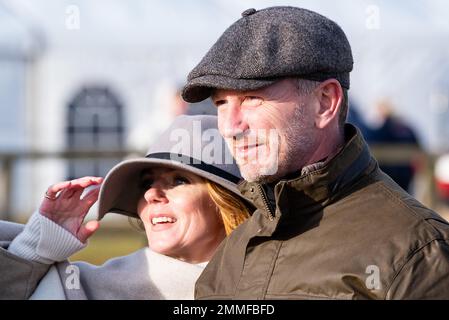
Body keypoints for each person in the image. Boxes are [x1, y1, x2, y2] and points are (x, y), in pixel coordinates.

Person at [181, 6, 449, 299]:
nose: (230, 126)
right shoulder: (234, 250)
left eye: (251, 99)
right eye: (220, 104)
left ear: (324, 102)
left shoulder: (419, 253)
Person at [0, 115, 251, 299]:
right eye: (146, 183)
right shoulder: (86, 287)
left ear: (225, 203)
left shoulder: (274, 281)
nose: (152, 193)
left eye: (179, 180)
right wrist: (35, 249)